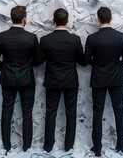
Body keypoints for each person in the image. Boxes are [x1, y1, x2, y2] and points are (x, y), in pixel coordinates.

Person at [0, 6, 38, 153]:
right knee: (27, 112)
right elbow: (38, 59)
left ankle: (7, 146)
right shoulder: (31, 37)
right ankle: (27, 146)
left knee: (6, 111)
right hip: (27, 79)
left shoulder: (1, 37)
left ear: (12, 18)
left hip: (8, 79)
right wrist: (28, 66)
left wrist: (4, 68)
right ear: (24, 19)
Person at [36, 8, 85, 152]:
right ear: (67, 21)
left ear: (53, 20)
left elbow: (38, 61)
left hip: (52, 81)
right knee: (71, 113)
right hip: (70, 81)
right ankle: (68, 146)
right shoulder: (75, 39)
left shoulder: (45, 40)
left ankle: (48, 146)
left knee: (50, 113)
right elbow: (82, 62)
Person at [85, 7, 123, 156]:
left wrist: (97, 66)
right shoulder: (121, 36)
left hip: (98, 78)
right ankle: (120, 146)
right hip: (116, 78)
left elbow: (86, 60)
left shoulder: (92, 39)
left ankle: (97, 148)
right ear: (110, 19)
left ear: (98, 19)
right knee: (119, 110)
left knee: (97, 113)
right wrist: (117, 68)